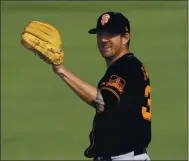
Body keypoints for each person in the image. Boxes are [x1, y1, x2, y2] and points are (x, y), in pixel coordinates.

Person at [52, 11, 152, 161]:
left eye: (110, 34)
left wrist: (61, 70)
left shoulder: (126, 67)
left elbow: (103, 102)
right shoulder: (128, 66)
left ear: (125, 38)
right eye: (100, 34)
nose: (104, 39)